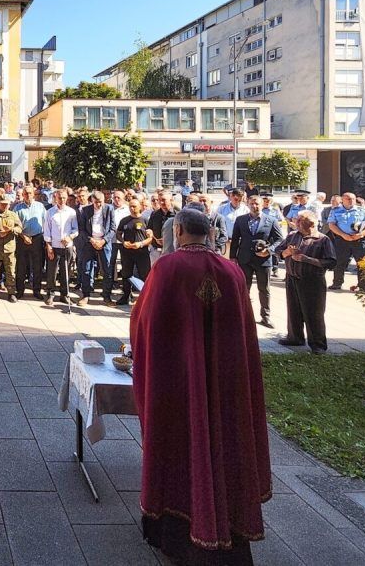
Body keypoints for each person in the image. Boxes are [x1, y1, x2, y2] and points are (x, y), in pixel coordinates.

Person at [131, 207, 271, 565]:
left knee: (180, 449)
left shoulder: (167, 268)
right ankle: (227, 526)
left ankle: (179, 534)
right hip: (226, 384)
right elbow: (245, 333)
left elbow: (145, 324)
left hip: (180, 385)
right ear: (209, 233)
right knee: (225, 447)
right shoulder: (232, 271)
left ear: (177, 231)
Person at [278, 210, 337, 354]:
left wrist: (307, 259)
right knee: (293, 310)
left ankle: (318, 344)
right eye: (297, 220)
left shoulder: (322, 239)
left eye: (300, 221)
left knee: (314, 313)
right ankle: (295, 337)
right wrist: (286, 253)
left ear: (310, 224)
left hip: (312, 281)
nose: (296, 223)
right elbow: (279, 251)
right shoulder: (292, 236)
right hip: (292, 278)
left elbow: (331, 262)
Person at [229, 195, 283, 329]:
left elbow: (279, 239)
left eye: (257, 204)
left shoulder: (271, 220)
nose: (254, 206)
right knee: (244, 288)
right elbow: (235, 240)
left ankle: (265, 316)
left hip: (263, 260)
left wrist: (269, 251)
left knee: (264, 289)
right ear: (247, 204)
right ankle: (243, 315)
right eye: (252, 204)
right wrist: (233, 257)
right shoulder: (241, 220)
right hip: (244, 259)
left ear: (262, 205)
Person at [326, 192, 365, 292]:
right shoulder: (335, 211)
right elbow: (331, 225)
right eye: (348, 199)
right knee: (340, 262)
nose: (351, 201)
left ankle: (363, 286)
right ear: (342, 200)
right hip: (342, 240)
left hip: (359, 240)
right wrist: (343, 235)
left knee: (363, 263)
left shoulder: (362, 210)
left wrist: (361, 234)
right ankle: (337, 283)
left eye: (353, 199)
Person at [77, 191, 116, 305]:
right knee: (86, 268)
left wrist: (103, 241)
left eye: (101, 202)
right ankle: (86, 295)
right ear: (92, 201)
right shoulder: (85, 210)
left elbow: (113, 228)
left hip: (104, 242)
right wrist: (91, 240)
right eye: (96, 202)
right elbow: (82, 229)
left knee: (107, 269)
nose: (99, 204)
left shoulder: (109, 209)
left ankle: (107, 296)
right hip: (90, 242)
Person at [43, 189, 78, 306]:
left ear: (67, 198)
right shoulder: (50, 212)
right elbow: (47, 230)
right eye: (59, 198)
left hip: (67, 246)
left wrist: (70, 237)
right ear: (55, 198)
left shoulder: (71, 212)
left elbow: (75, 229)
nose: (62, 200)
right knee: (52, 271)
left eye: (64, 198)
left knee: (66, 271)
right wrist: (48, 246)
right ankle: (50, 293)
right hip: (54, 246)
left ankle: (64, 295)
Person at [114, 198, 152, 305]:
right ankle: (126, 295)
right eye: (130, 206)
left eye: (134, 206)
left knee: (145, 274)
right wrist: (123, 241)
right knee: (126, 274)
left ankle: (146, 296)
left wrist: (141, 243)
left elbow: (151, 238)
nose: (132, 208)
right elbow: (118, 233)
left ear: (140, 207)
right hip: (127, 252)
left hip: (142, 252)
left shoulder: (145, 220)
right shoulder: (125, 220)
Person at [0, 194, 22, 303]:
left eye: (6, 204)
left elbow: (20, 228)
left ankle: (11, 293)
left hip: (9, 249)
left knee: (10, 272)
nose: (5, 206)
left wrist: (11, 230)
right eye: (2, 204)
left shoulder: (13, 215)